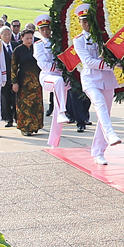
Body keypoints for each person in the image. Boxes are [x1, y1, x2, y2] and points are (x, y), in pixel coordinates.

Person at [73, 2, 123, 165]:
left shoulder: (103, 37)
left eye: (89, 20)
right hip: (91, 79)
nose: (87, 24)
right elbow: (87, 61)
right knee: (99, 105)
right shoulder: (79, 40)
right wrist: (111, 65)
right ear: (79, 22)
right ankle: (110, 134)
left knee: (104, 114)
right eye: (84, 21)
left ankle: (98, 151)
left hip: (107, 80)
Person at [33, 14, 70, 148]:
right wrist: (59, 66)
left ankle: (54, 141)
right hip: (48, 76)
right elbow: (43, 64)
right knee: (58, 82)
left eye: (47, 28)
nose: (46, 31)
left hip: (61, 76)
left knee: (63, 85)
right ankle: (62, 112)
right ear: (39, 31)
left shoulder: (58, 42)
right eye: (42, 30)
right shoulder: (38, 45)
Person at [11, 28, 44, 136]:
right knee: (24, 105)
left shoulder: (37, 48)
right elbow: (14, 67)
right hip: (24, 81)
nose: (29, 40)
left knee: (36, 104)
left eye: (31, 38)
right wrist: (14, 82)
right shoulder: (18, 50)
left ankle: (35, 126)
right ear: (22, 38)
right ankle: (24, 127)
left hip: (36, 80)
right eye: (27, 38)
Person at [0, 26, 16, 127]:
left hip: (15, 76)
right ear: (1, 36)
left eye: (9, 34)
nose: (7, 36)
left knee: (15, 98)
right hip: (4, 76)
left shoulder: (15, 45)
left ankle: (16, 116)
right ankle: (8, 118)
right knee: (5, 98)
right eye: (5, 34)